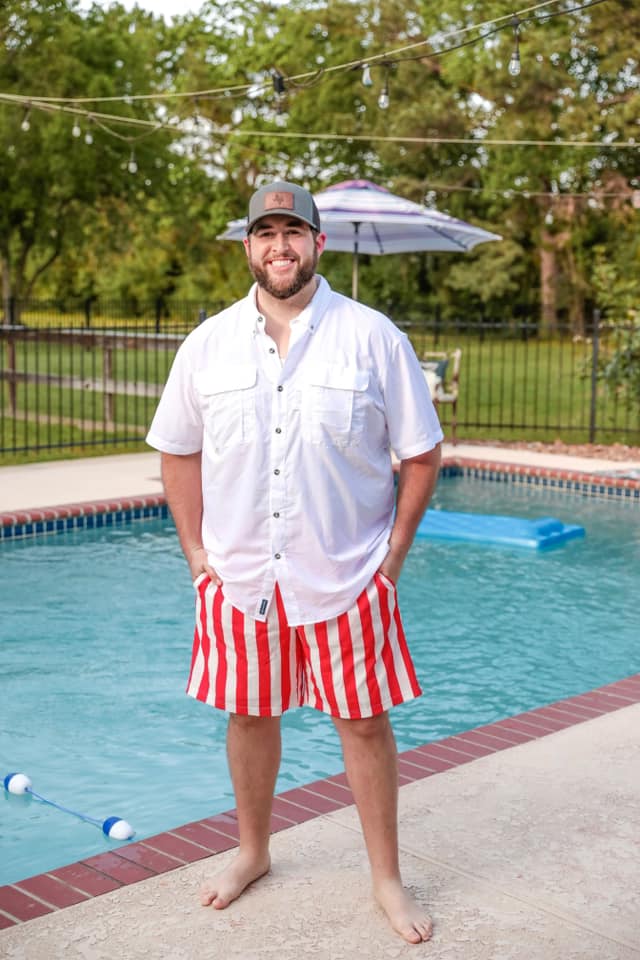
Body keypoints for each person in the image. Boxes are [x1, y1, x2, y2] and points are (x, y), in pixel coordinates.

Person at [146, 180, 443, 944]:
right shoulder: (207, 343)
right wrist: (195, 553)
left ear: (318, 242)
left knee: (365, 723)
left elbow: (420, 453)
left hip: (348, 575)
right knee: (249, 715)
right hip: (240, 578)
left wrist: (394, 557)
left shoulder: (373, 337)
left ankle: (386, 878)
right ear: (248, 246)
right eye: (265, 233)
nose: (279, 246)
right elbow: (177, 449)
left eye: (294, 232)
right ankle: (253, 852)